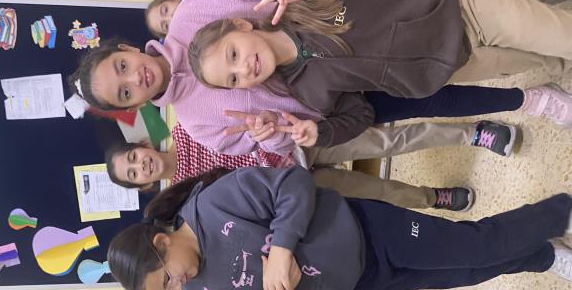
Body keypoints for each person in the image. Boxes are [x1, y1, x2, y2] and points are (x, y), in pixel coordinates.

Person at [70, 0, 566, 156]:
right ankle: (546, 79)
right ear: (133, 107)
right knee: (468, 81)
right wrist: (275, 133)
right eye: (124, 92)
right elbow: (288, 139)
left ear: (127, 49)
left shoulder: (198, 3)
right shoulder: (199, 125)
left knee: (531, 23)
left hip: (351, 16)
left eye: (122, 67)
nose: (135, 79)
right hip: (348, 91)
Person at [107, 165, 572, 290]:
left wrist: (282, 248)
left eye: (166, 278)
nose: (177, 286)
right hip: (355, 284)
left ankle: (560, 212)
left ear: (163, 243)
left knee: (473, 245)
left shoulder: (213, 205)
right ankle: (544, 256)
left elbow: (294, 183)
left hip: (366, 231)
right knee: (462, 272)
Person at [187, 13, 572, 147]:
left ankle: (552, 58)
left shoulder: (195, 13)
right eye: (233, 79)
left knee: (494, 40)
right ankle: (535, 96)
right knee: (437, 98)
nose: (242, 70)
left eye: (233, 57)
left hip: (355, 27)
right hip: (332, 99)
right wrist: (276, 127)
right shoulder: (194, 120)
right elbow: (352, 117)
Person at [104, 119, 516, 211]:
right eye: (134, 174)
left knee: (388, 141)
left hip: (300, 142)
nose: (142, 166)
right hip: (292, 188)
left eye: (134, 157)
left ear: (142, 145)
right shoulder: (186, 198)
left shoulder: (188, 126)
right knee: (377, 193)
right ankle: (432, 197)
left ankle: (472, 133)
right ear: (143, 186)